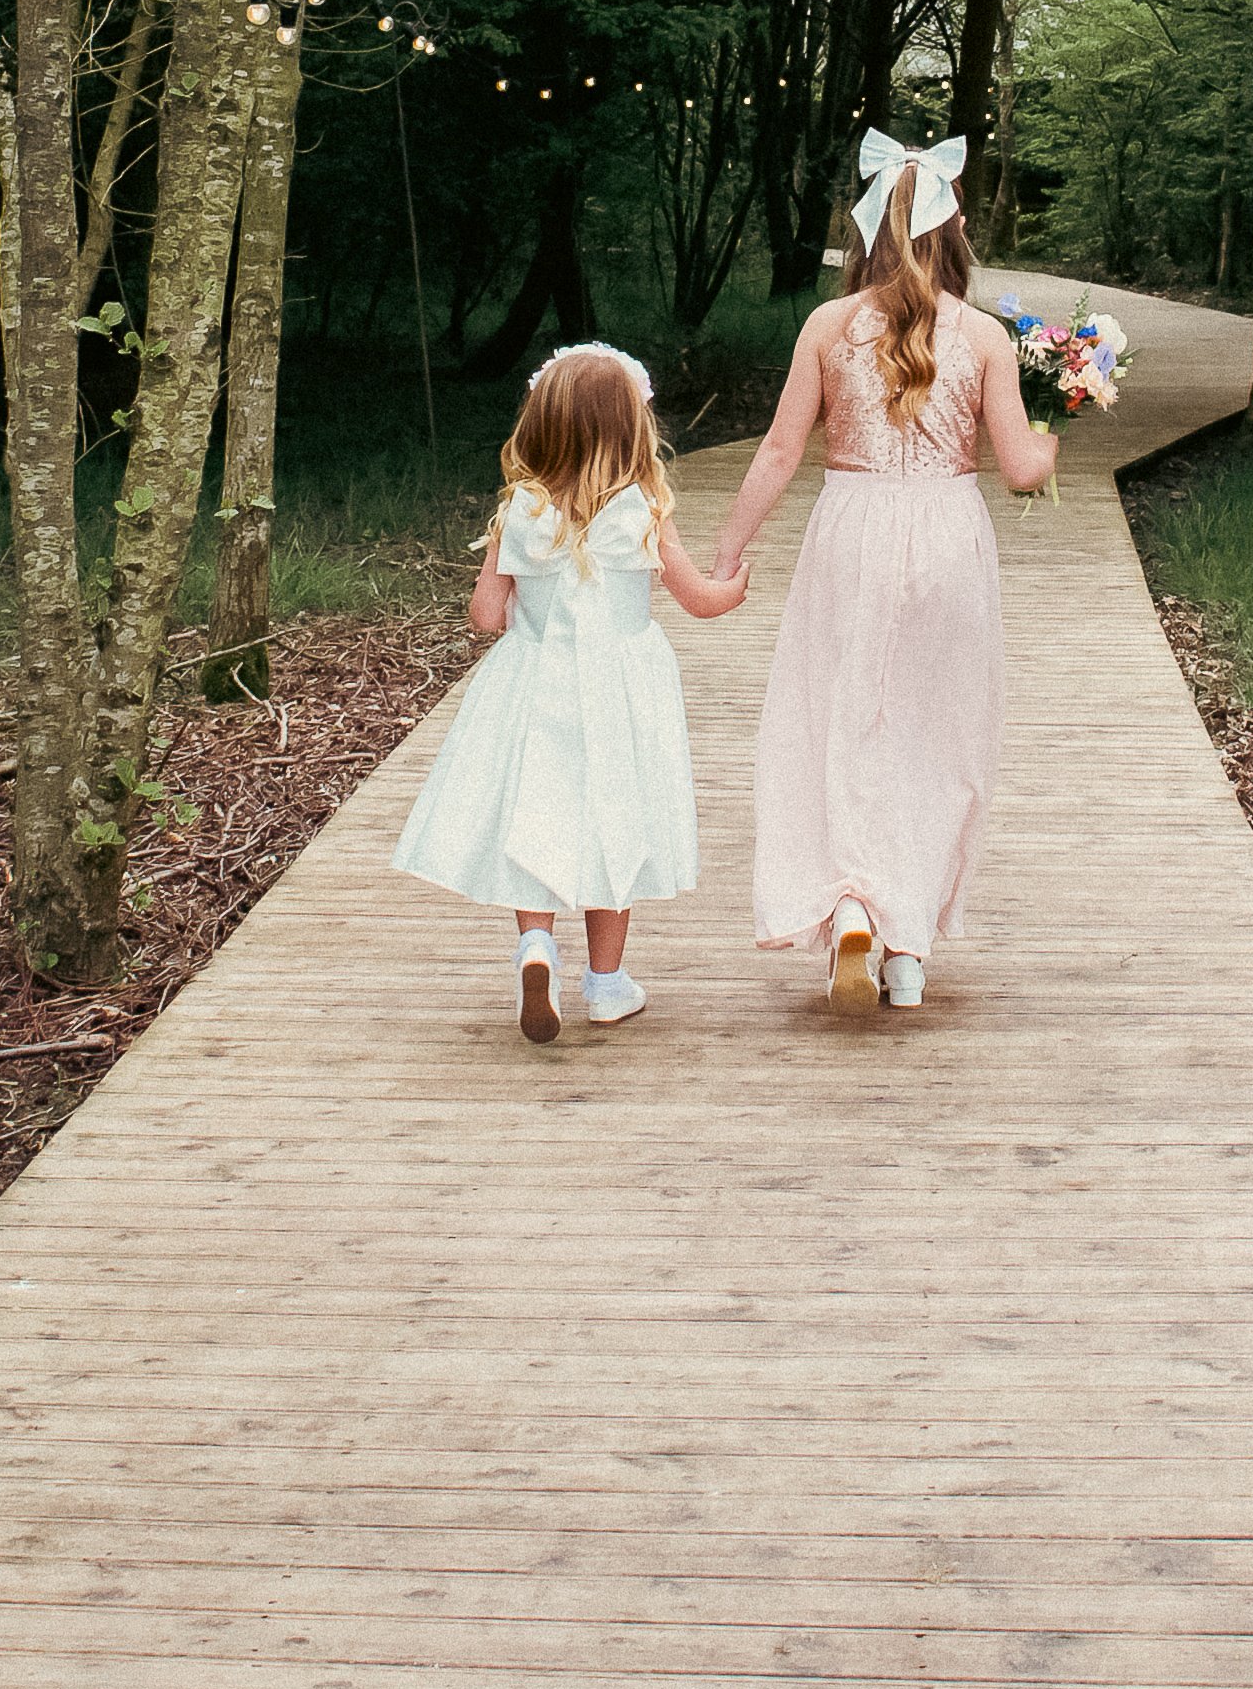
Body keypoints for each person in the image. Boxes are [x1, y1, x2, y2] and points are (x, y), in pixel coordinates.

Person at [712, 130, 1057, 1014]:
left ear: (866, 228)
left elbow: (782, 449)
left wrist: (729, 550)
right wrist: (1054, 438)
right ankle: (906, 948)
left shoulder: (829, 326)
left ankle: (853, 899)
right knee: (938, 735)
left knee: (842, 721)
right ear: (955, 231)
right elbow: (1020, 468)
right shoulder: (982, 335)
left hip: (850, 532)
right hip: (947, 537)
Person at [392, 341, 747, 1042]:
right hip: (622, 689)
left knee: (540, 809)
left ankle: (536, 946)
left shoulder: (519, 510)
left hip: (536, 684)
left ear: (540, 424)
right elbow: (699, 599)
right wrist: (735, 585)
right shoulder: (644, 508)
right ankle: (609, 984)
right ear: (633, 428)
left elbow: (487, 615)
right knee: (617, 814)